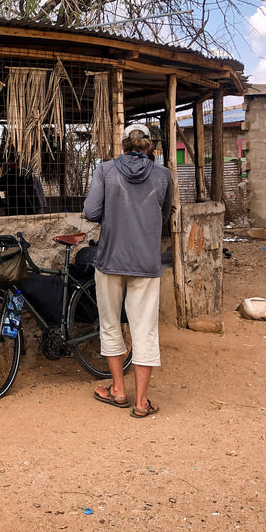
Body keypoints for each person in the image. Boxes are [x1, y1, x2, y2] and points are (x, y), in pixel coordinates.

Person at [82, 122, 173, 417]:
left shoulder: (106, 171)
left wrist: (114, 211)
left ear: (122, 146)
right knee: (144, 329)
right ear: (149, 147)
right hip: (146, 262)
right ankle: (142, 402)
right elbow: (164, 213)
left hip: (110, 260)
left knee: (110, 325)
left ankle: (118, 390)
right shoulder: (163, 175)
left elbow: (91, 212)